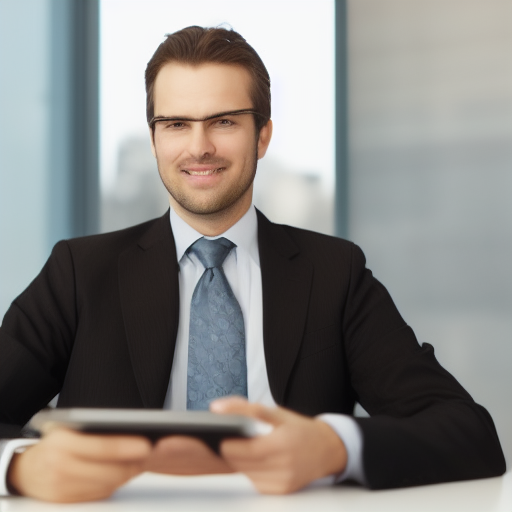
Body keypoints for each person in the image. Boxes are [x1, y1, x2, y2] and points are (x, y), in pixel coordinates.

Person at [0, 26, 506, 503]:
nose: (199, 146)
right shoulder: (78, 272)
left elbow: (468, 431)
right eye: (176, 123)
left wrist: (332, 446)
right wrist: (20, 468)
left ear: (262, 136)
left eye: (224, 121)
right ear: (155, 139)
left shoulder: (334, 274)